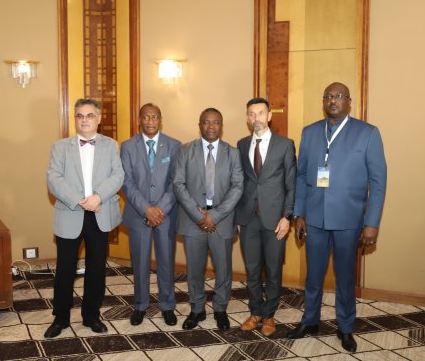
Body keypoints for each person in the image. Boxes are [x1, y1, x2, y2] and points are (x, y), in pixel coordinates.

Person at [287, 82, 387, 353]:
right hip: (315, 219)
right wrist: (299, 213)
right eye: (328, 96)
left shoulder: (367, 133)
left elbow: (378, 182)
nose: (333, 100)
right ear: (323, 101)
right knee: (313, 276)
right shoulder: (310, 132)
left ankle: (345, 327)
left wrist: (371, 223)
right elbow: (301, 175)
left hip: (349, 221)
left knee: (344, 278)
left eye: (339, 96)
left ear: (349, 101)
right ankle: (310, 322)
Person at [45, 98, 124, 338]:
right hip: (70, 213)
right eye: (80, 115)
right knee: (65, 270)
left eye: (90, 115)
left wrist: (98, 197)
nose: (84, 120)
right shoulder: (60, 147)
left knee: (96, 269)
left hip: (100, 214)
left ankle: (91, 316)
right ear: (75, 119)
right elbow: (53, 178)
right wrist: (80, 200)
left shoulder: (111, 145)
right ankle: (60, 318)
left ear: (98, 119)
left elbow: (118, 175)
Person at [172, 107, 243, 331]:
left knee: (223, 269)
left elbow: (237, 186)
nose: (211, 126)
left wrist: (215, 215)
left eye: (215, 122)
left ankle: (220, 309)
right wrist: (198, 215)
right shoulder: (185, 150)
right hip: (193, 220)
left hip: (222, 220)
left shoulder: (233, 153)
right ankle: (197, 309)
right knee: (194, 269)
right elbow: (178, 184)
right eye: (206, 122)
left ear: (222, 126)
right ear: (199, 125)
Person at [235, 97, 296, 337]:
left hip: (275, 220)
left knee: (273, 270)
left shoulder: (285, 145)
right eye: (251, 114)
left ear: (269, 116)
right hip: (248, 219)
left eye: (260, 113)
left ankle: (269, 315)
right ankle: (255, 312)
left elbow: (291, 185)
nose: (256, 118)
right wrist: (238, 217)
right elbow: (240, 183)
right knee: (252, 270)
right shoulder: (241, 145)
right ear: (247, 118)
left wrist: (287, 216)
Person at [120, 103, 181, 326]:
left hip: (166, 214)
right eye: (146, 117)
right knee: (140, 262)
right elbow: (126, 182)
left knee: (166, 261)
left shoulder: (174, 145)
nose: (150, 121)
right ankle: (140, 305)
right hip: (139, 214)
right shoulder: (128, 146)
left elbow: (176, 182)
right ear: (139, 119)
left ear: (160, 120)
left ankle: (167, 305)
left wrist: (160, 208)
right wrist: (146, 209)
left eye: (154, 117)